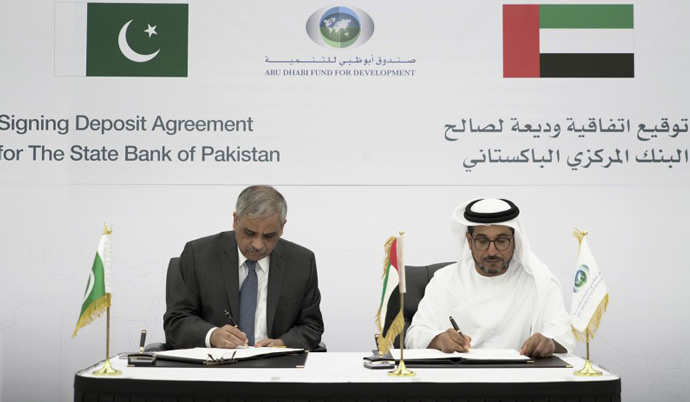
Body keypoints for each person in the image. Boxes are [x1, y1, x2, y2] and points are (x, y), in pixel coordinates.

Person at [405, 198, 574, 357]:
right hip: (459, 374)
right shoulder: (444, 280)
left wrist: (549, 342)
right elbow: (414, 335)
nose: (492, 251)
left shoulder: (539, 282)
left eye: (501, 240)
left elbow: (564, 337)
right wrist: (438, 340)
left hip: (520, 374)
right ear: (469, 241)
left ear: (515, 240)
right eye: (482, 241)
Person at [164, 185, 324, 350]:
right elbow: (176, 321)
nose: (258, 245)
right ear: (235, 220)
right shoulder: (198, 256)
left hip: (275, 362)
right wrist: (212, 335)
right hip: (215, 360)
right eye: (249, 233)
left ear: (282, 227)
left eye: (269, 236)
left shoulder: (302, 263)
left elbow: (312, 326)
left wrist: (282, 344)